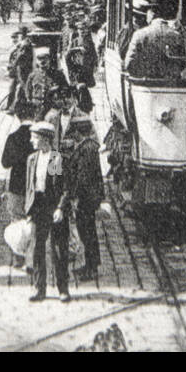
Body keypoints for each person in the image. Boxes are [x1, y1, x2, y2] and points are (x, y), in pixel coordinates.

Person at [24, 120, 69, 302]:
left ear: (44, 139)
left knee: (58, 248)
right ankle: (39, 288)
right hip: (38, 206)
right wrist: (28, 210)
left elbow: (63, 187)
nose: (31, 141)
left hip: (52, 205)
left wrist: (60, 208)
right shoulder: (32, 159)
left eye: (34, 137)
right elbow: (30, 186)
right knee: (37, 248)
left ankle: (63, 289)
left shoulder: (55, 159)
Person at [65, 113, 104, 283]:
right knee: (88, 232)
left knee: (87, 233)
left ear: (78, 132)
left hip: (85, 199)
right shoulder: (89, 146)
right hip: (89, 197)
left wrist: (75, 198)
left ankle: (91, 268)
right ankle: (91, 265)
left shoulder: (86, 149)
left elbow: (83, 177)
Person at [0, 108, 34, 271]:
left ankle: (18, 257)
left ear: (18, 117)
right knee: (33, 222)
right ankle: (32, 259)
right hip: (35, 187)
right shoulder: (40, 136)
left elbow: (5, 163)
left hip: (16, 185)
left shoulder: (13, 137)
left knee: (16, 221)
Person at [123, 0, 186, 80]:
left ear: (151, 15)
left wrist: (144, 74)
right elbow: (182, 63)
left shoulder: (139, 35)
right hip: (170, 87)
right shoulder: (178, 36)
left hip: (145, 86)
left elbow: (129, 64)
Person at [5, 27, 33, 113]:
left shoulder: (25, 44)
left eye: (20, 34)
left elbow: (19, 57)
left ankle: (14, 107)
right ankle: (11, 106)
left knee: (19, 88)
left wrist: (13, 66)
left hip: (22, 69)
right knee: (15, 88)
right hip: (19, 69)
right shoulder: (24, 43)